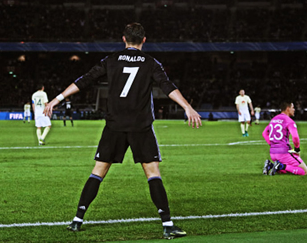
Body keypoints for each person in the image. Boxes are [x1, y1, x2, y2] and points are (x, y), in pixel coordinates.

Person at [43, 23, 202, 239]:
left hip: (115, 125)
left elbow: (85, 80)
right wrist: (188, 107)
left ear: (123, 39)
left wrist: (57, 99)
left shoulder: (111, 59)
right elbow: (167, 86)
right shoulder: (151, 63)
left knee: (98, 171)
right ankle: (167, 224)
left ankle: (77, 220)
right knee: (153, 173)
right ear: (144, 40)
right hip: (140, 126)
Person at [262, 102, 307, 176]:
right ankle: (280, 165)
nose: (294, 109)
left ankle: (270, 165)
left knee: (284, 171)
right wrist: (297, 149)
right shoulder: (289, 121)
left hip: (273, 153)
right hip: (284, 153)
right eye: (293, 107)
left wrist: (273, 145)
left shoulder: (274, 119)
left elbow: (264, 133)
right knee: (304, 171)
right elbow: (295, 137)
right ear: (288, 109)